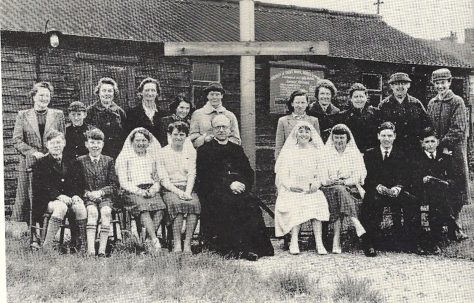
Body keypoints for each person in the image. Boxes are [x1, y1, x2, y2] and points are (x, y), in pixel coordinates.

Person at [196, 114, 274, 261]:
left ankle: (251, 248)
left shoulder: (236, 149)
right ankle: (231, 249)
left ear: (230, 129)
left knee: (250, 205)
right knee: (228, 204)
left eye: (224, 127)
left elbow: (248, 172)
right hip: (214, 191)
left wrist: (243, 184)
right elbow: (205, 177)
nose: (221, 130)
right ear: (212, 130)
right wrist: (228, 184)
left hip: (239, 190)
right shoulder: (204, 150)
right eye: (217, 127)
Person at [12, 81, 65, 223]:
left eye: (47, 96)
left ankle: (48, 225)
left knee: (49, 193)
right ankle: (26, 229)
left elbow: (62, 138)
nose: (44, 99)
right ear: (34, 97)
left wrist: (52, 152)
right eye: (41, 95)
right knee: (27, 196)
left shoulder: (58, 115)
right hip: (30, 162)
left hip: (51, 161)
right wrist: (32, 152)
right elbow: (16, 140)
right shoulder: (23, 115)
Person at [361, 122, 416, 256]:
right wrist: (377, 186)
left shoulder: (401, 154)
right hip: (377, 190)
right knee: (371, 202)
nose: (386, 139)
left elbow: (405, 175)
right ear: (378, 136)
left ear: (395, 137)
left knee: (412, 201)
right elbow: (365, 176)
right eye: (384, 135)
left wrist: (398, 187)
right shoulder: (370, 154)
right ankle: (370, 243)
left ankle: (408, 241)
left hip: (395, 191)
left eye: (389, 136)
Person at [274, 121, 330, 255]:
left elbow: (322, 171)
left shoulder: (316, 152)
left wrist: (317, 183)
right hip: (292, 189)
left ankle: (319, 242)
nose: (303, 134)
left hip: (310, 189)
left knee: (317, 201)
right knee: (295, 203)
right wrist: (290, 186)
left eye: (307, 132)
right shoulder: (289, 152)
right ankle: (294, 241)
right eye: (301, 131)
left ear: (311, 135)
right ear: (296, 134)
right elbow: (281, 173)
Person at [427, 68, 470, 241]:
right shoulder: (432, 103)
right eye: (437, 83)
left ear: (449, 82)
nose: (440, 86)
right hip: (437, 153)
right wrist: (431, 143)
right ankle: (444, 225)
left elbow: (458, 129)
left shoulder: (457, 101)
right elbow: (429, 127)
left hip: (454, 153)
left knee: (457, 189)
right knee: (440, 187)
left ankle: (456, 227)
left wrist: (442, 143)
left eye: (443, 82)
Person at [32, 130, 87, 252]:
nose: (56, 146)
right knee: (61, 207)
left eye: (59, 142)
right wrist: (58, 196)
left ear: (64, 143)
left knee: (80, 206)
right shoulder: (41, 163)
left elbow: (79, 182)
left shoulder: (72, 161)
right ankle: (47, 246)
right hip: (46, 200)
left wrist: (76, 195)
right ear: (47, 145)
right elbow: (41, 186)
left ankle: (81, 244)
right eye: (52, 143)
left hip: (68, 198)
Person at [321, 124, 370, 254]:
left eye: (342, 137)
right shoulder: (326, 153)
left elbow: (360, 175)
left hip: (350, 188)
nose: (339, 140)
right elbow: (322, 176)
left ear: (347, 138)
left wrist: (345, 182)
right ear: (332, 138)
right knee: (338, 190)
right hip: (329, 188)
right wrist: (332, 181)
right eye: (336, 137)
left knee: (340, 192)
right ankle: (356, 222)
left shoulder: (353, 153)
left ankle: (336, 239)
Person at [116, 127, 164, 252]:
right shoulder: (124, 157)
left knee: (160, 207)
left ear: (148, 142)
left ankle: (147, 240)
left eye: (144, 140)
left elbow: (156, 177)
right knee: (144, 208)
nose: (141, 143)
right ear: (132, 142)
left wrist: (154, 188)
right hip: (131, 191)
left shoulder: (151, 157)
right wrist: (139, 191)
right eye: (138, 140)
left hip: (149, 189)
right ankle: (154, 240)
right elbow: (123, 181)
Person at [411, 128, 456, 255]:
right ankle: (424, 239)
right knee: (432, 200)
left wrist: (447, 183)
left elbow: (453, 178)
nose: (430, 144)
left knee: (439, 200)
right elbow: (413, 179)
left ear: (437, 142)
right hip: (422, 192)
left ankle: (434, 240)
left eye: (432, 141)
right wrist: (422, 179)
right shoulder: (417, 159)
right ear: (422, 144)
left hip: (441, 192)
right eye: (427, 142)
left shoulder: (445, 158)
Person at [158, 122, 200, 253]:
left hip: (187, 187)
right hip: (170, 189)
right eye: (175, 134)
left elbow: (192, 173)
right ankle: (177, 243)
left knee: (194, 205)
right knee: (177, 205)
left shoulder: (191, 151)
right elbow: (163, 179)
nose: (178, 137)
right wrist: (178, 192)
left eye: (182, 135)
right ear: (169, 135)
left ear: (186, 136)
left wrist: (187, 192)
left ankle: (187, 244)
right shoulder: (162, 152)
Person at [75, 129, 118, 257]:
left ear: (103, 144)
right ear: (86, 144)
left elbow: (114, 185)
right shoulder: (80, 161)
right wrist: (87, 194)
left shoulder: (108, 160)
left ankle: (102, 250)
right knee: (92, 212)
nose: (95, 146)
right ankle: (91, 250)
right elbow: (77, 185)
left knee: (105, 212)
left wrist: (100, 192)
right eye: (92, 142)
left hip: (104, 197)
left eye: (98, 143)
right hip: (88, 197)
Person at [378, 72, 431, 153]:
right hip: (392, 150)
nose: (400, 86)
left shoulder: (416, 104)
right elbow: (378, 127)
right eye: (396, 84)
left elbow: (427, 125)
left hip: (413, 149)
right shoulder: (384, 105)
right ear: (392, 86)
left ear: (408, 85)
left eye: (403, 83)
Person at [85, 77, 127, 159]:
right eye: (104, 91)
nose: (107, 93)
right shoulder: (90, 111)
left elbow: (125, 136)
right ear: (98, 92)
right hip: (96, 155)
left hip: (116, 155)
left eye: (110, 91)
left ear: (114, 93)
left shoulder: (120, 112)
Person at [189, 82, 241, 149]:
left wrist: (223, 143)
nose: (214, 97)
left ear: (222, 96)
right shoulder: (198, 114)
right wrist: (204, 139)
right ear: (207, 96)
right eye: (212, 94)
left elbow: (236, 139)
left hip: (225, 154)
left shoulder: (229, 115)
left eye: (217, 94)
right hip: (203, 153)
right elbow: (192, 138)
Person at [274, 89, 320, 160]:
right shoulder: (283, 121)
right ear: (292, 103)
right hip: (289, 160)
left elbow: (317, 144)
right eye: (297, 102)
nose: (300, 105)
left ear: (307, 104)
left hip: (308, 160)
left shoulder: (313, 121)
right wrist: (280, 165)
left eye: (303, 102)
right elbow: (279, 146)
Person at [336, 83, 380, 153]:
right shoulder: (343, 116)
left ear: (366, 97)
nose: (359, 99)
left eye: (361, 96)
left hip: (372, 155)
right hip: (351, 154)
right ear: (351, 99)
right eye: (356, 97)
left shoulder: (376, 113)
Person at [125, 77, 167, 146]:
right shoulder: (131, 114)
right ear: (141, 92)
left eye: (153, 90)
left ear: (157, 93)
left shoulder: (164, 114)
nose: (150, 93)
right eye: (147, 90)